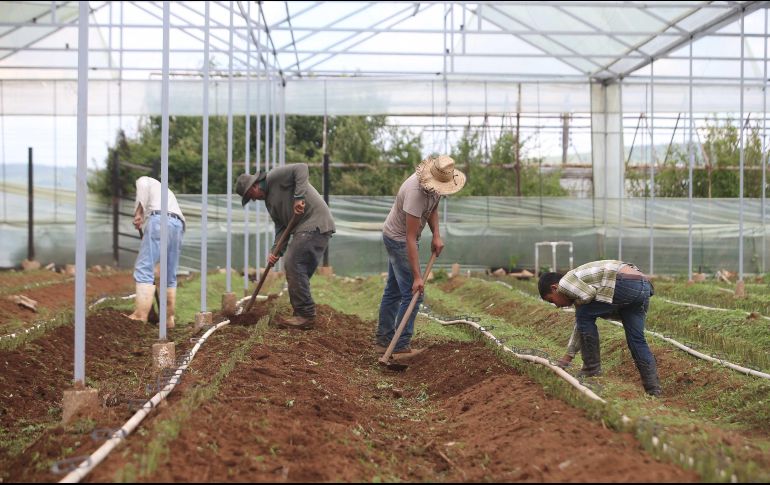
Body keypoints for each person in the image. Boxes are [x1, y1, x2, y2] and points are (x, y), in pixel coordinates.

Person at [376, 154, 466, 358]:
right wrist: (417, 277)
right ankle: (400, 347)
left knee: (393, 291)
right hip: (398, 239)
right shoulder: (416, 193)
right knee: (413, 293)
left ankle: (384, 341)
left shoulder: (434, 186)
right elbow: (409, 239)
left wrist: (436, 235)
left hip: (401, 237)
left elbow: (433, 206)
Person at [538, 260, 662, 396]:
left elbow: (588, 297)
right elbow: (581, 323)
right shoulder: (577, 286)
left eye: (551, 300)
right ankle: (653, 389)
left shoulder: (565, 283)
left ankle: (592, 368)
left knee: (583, 314)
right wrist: (567, 358)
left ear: (555, 288)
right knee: (637, 340)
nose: (556, 305)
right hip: (643, 284)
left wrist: (581, 311)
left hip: (624, 283)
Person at [235, 163, 335, 330]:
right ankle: (303, 312)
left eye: (250, 195)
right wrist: (275, 251)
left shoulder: (275, 176)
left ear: (254, 185)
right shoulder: (270, 203)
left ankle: (305, 315)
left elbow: (302, 168)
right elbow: (281, 227)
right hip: (304, 229)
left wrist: (299, 197)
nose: (253, 199)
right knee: (297, 270)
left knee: (293, 264)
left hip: (314, 222)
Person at [126, 176, 185, 328]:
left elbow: (142, 195)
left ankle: (140, 315)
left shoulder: (143, 180)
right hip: (178, 224)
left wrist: (138, 214)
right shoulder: (164, 190)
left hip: (160, 220)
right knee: (169, 273)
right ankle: (168, 319)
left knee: (144, 267)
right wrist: (142, 215)